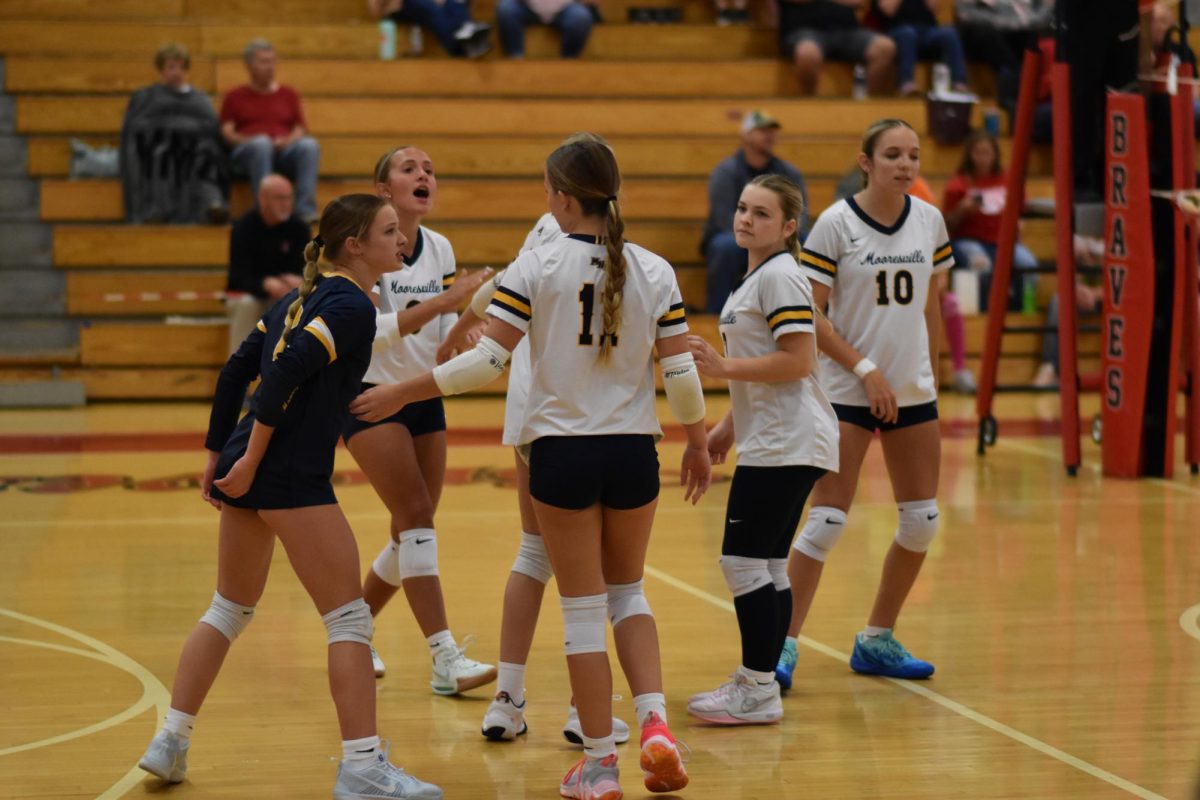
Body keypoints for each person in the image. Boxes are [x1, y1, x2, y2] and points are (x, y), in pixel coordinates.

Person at [350, 137, 708, 799]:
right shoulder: (656, 269)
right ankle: (654, 722)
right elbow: (681, 372)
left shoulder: (537, 266)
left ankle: (600, 765)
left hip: (563, 454)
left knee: (580, 611)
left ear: (564, 199)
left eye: (550, 191)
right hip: (635, 451)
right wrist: (696, 440)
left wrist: (401, 391)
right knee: (629, 594)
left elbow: (486, 365)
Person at [136, 193, 444, 800]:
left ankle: (169, 741)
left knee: (229, 607)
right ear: (354, 245)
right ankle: (361, 767)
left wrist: (217, 454)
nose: (401, 240)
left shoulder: (298, 298)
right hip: (285, 473)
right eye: (388, 232)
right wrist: (247, 461)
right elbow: (284, 372)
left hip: (253, 463)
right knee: (349, 617)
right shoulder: (351, 304)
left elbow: (234, 371)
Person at [436, 135, 632, 748]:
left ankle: (508, 697)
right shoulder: (615, 249)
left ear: (565, 192)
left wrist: (463, 327)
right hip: (587, 418)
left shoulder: (544, 233)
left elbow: (494, 294)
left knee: (533, 554)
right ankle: (583, 710)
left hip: (535, 416)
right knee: (592, 572)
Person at [774, 119, 951, 690]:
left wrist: (935, 370)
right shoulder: (835, 224)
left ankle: (877, 638)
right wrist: (864, 368)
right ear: (866, 161)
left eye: (914, 155)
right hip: (849, 391)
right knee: (826, 520)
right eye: (893, 154)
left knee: (921, 521)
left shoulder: (929, 219)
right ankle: (782, 644)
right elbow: (811, 316)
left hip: (912, 391)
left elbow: (932, 305)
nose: (905, 164)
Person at [341, 145, 497, 695]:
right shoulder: (362, 249)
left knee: (411, 525)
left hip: (424, 394)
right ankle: (443, 657)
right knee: (415, 517)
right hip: (369, 394)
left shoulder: (442, 247)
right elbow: (372, 331)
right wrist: (448, 303)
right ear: (383, 188)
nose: (424, 175)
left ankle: (353, 631)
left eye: (430, 169)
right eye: (410, 169)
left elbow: (448, 320)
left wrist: (465, 332)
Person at [685, 174, 839, 725]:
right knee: (769, 566)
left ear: (790, 226)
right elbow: (771, 372)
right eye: (744, 209)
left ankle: (755, 687)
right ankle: (761, 684)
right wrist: (726, 428)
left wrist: (723, 367)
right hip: (781, 438)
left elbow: (797, 361)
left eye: (762, 213)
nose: (746, 219)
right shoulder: (756, 278)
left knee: (741, 562)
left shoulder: (780, 277)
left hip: (787, 441)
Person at [700, 110, 810, 313]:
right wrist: (758, 235)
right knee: (724, 247)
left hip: (777, 236)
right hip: (736, 238)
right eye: (762, 130)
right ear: (745, 135)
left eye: (772, 131)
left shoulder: (789, 172)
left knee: (809, 241)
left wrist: (775, 238)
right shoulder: (726, 171)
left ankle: (811, 308)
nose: (770, 135)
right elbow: (723, 217)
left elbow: (801, 213)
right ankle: (716, 314)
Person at [120, 42, 227, 224]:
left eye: (180, 67)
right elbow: (137, 128)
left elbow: (211, 126)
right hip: (159, 147)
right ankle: (156, 211)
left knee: (207, 157)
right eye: (170, 67)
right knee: (161, 156)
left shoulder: (200, 99)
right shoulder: (147, 97)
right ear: (161, 70)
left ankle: (212, 206)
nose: (176, 72)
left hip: (196, 148)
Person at [220, 39, 320, 223]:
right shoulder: (234, 96)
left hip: (283, 149)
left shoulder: (288, 94)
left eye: (272, 61)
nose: (270, 67)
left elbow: (300, 128)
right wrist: (252, 140)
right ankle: (265, 209)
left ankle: (305, 210)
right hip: (249, 152)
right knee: (261, 145)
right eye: (264, 61)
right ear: (249, 65)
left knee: (309, 146)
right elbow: (227, 132)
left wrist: (287, 141)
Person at [942, 130, 1038, 312]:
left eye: (987, 153)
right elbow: (946, 225)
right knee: (981, 264)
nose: (983, 158)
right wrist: (962, 209)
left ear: (995, 155)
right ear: (970, 155)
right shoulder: (958, 184)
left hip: (1004, 241)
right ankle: (984, 313)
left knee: (1029, 264)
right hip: (968, 240)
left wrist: (1020, 221)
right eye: (978, 152)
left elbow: (1023, 208)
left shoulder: (1009, 179)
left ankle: (1023, 311)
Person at [224, 174, 311, 355]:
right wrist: (265, 284)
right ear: (263, 199)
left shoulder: (300, 228)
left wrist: (298, 282)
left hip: (284, 293)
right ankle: (238, 374)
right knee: (247, 304)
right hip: (250, 294)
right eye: (280, 198)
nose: (286, 203)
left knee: (296, 302)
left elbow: (306, 272)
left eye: (289, 198)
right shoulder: (243, 228)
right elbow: (237, 277)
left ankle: (289, 370)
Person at [779, 0, 897, 97]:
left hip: (847, 30)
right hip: (804, 32)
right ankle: (809, 102)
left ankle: (870, 105)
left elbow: (859, 2)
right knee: (807, 53)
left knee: (885, 47)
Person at [869, 0, 970, 96]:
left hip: (926, 29)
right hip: (897, 29)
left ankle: (959, 83)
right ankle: (906, 83)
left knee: (949, 33)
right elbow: (888, 10)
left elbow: (934, 9)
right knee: (908, 34)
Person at [369, 0, 493, 58]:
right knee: (429, 8)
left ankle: (467, 29)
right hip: (399, 7)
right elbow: (375, 9)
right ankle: (461, 46)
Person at [495, 0, 596, 59]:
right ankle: (515, 58)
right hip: (525, 5)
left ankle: (568, 61)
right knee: (506, 9)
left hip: (566, 7)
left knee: (581, 17)